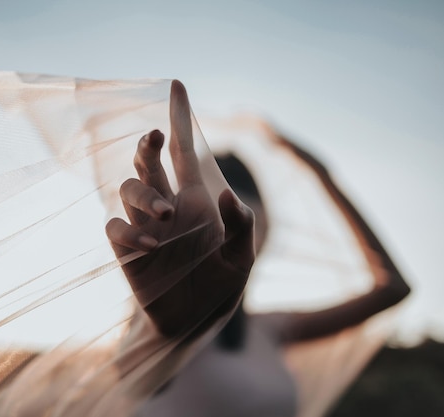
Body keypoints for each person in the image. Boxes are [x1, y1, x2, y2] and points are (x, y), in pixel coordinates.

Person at [105, 80, 411, 417]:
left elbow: (392, 288)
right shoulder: (164, 321)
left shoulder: (270, 329)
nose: (239, 234)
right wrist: (170, 330)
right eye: (222, 221)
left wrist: (321, 173)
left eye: (250, 222)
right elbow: (134, 377)